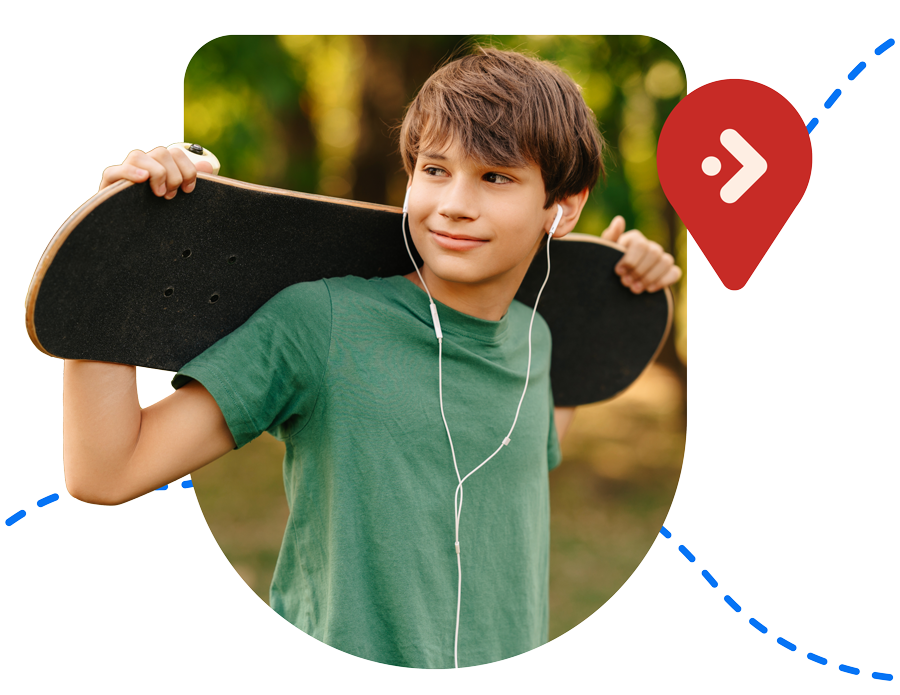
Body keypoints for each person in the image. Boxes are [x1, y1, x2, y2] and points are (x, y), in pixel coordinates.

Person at [63, 47, 681, 669]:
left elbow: (518, 465)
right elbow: (107, 472)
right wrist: (114, 255)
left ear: (563, 208)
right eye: (435, 170)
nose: (454, 204)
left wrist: (614, 290)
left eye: (496, 177)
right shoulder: (323, 323)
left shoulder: (536, 340)